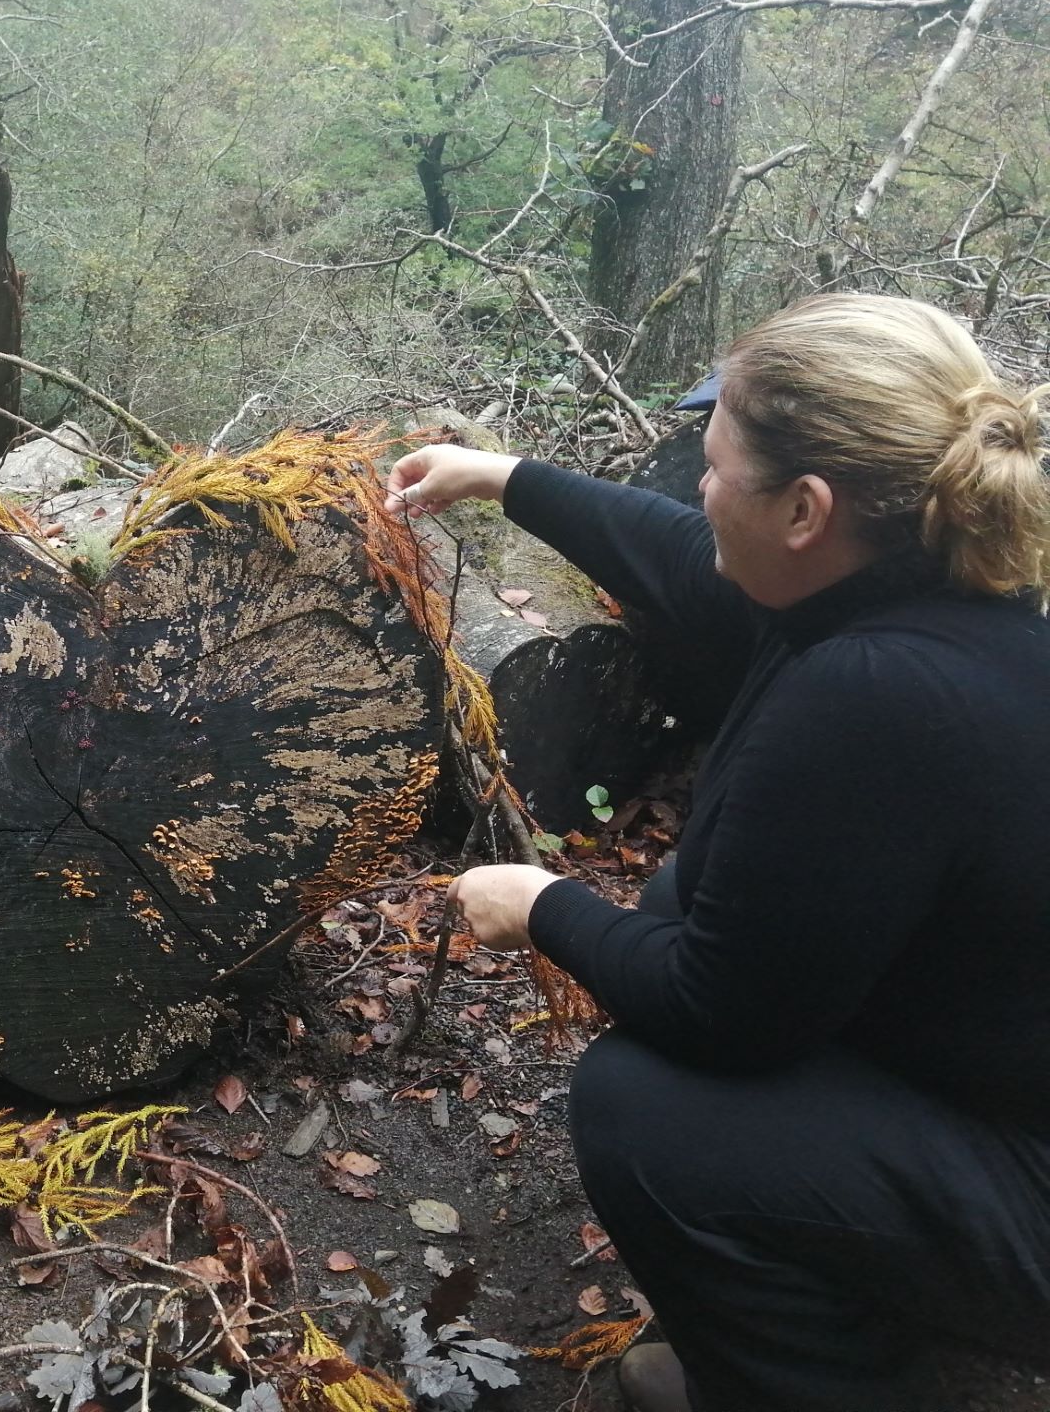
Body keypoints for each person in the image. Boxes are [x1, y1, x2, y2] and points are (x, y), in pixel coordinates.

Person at [384, 294, 1050, 1412]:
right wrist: (502, 476)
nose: (696, 489)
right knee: (687, 889)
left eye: (713, 466)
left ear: (806, 510)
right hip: (1002, 1079)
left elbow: (721, 1017)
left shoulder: (877, 699)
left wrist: (544, 906)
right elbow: (687, 556)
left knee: (653, 1114)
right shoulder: (938, 598)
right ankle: (864, 1281)